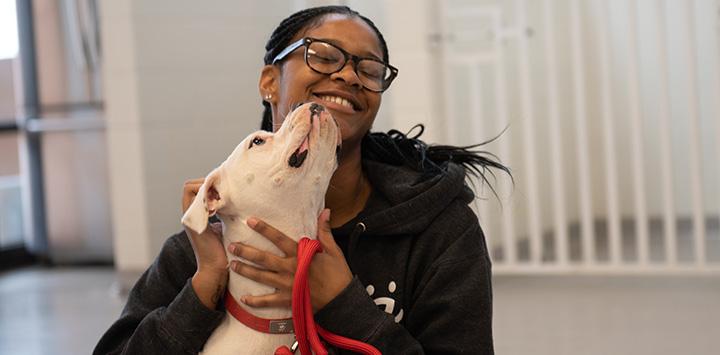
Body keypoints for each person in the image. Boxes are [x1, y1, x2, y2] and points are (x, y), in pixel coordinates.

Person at [94, 5, 510, 354]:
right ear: (270, 82)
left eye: (369, 69)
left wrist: (342, 301)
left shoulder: (440, 231)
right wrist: (205, 286)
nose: (349, 76)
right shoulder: (209, 242)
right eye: (325, 57)